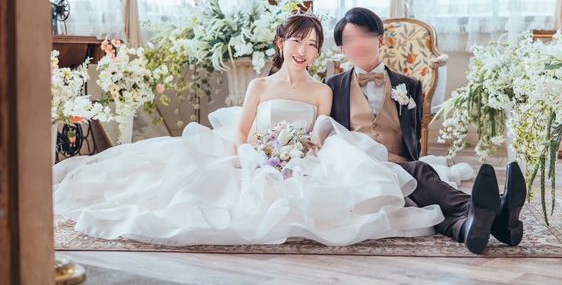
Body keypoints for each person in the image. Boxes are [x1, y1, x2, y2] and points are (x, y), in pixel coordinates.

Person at [53, 14, 445, 247]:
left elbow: (319, 136)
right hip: (252, 156)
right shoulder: (260, 86)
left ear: (318, 52)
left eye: (312, 45)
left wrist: (297, 155)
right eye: (297, 41)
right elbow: (241, 131)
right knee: (187, 195)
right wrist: (250, 155)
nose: (303, 51)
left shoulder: (322, 91)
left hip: (300, 162)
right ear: (281, 42)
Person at [324, 7, 527, 253]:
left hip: (399, 163)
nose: (359, 44)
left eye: (365, 36)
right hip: (359, 167)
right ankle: (495, 211)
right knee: (420, 172)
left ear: (380, 40)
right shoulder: (331, 87)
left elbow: (414, 135)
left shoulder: (409, 85)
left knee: (422, 196)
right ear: (342, 49)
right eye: (350, 39)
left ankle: (467, 227)